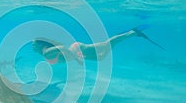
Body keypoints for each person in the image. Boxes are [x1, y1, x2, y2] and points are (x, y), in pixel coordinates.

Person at [32, 26, 164, 64]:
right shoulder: (47, 50)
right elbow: (61, 49)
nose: (33, 48)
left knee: (105, 46)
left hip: (78, 49)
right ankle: (129, 33)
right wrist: (74, 57)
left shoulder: (46, 52)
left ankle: (132, 33)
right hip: (77, 50)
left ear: (40, 45)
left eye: (34, 45)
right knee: (102, 55)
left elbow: (62, 48)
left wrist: (74, 56)